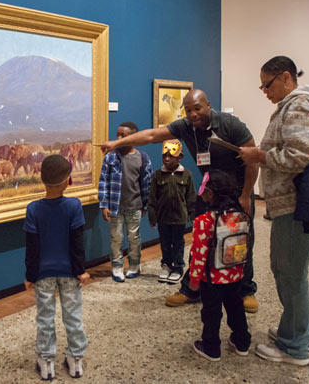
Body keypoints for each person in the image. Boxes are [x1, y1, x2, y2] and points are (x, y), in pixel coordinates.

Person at [96, 89, 260, 313]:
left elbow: (253, 160)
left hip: (239, 190)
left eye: (197, 109)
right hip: (211, 191)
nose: (193, 114)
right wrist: (115, 144)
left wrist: (246, 195)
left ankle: (246, 291)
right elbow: (152, 135)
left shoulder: (231, 125)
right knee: (201, 241)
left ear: (208, 105)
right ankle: (192, 289)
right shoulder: (186, 127)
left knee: (239, 240)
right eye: (189, 110)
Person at [239, 56, 309, 366]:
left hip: (293, 204)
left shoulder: (299, 105)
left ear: (285, 77)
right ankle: (297, 330)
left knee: (289, 273)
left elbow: (299, 153)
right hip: (288, 205)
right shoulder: (292, 106)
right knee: (288, 271)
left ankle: (295, 347)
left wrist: (259, 155)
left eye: (267, 84)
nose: (264, 91)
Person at [24, 155, 90, 380]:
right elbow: (77, 242)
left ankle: (46, 362)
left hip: (43, 275)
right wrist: (80, 269)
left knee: (45, 317)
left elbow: (31, 247)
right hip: (71, 273)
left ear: (42, 180)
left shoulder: (33, 209)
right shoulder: (74, 205)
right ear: (68, 181)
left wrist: (30, 275)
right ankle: (76, 360)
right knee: (72, 315)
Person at [189, 169, 251, 362]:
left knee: (211, 312)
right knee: (236, 307)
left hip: (212, 278)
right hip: (235, 274)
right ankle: (242, 342)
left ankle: (211, 347)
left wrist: (194, 279)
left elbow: (199, 254)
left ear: (210, 193)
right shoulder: (240, 216)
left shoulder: (204, 221)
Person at [98, 121, 152, 282]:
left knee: (134, 237)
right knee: (116, 237)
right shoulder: (110, 157)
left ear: (133, 137)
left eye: (124, 135)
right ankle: (117, 266)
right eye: (118, 135)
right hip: (115, 207)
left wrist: (145, 204)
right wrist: (104, 204)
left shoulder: (142, 158)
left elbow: (146, 183)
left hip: (134, 205)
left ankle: (134, 265)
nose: (119, 138)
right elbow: (103, 182)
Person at [147, 139, 196, 284]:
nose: (167, 159)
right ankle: (166, 265)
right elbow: (152, 198)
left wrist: (193, 216)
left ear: (179, 157)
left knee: (178, 243)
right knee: (165, 243)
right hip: (163, 218)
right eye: (164, 156)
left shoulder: (186, 175)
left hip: (179, 218)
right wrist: (152, 216)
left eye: (171, 156)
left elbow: (191, 197)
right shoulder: (157, 175)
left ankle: (178, 267)